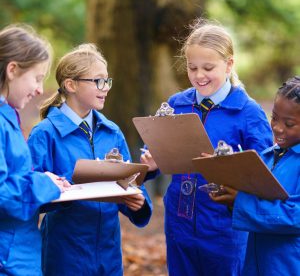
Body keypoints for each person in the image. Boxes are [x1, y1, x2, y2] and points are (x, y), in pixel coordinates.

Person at [141, 19, 273, 276]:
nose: (199, 76)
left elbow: (265, 173)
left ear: (229, 64)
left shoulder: (248, 113)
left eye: (208, 67)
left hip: (225, 227)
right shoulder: (175, 105)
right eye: (192, 68)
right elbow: (155, 152)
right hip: (179, 221)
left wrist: (233, 165)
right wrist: (150, 163)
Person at [27, 43, 153, 276]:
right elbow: (30, 195)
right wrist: (63, 190)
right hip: (65, 254)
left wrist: (138, 203)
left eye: (107, 81)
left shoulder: (112, 132)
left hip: (109, 253)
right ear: (71, 84)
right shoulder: (44, 134)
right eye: (97, 81)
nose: (105, 88)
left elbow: (130, 182)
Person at [210, 76, 300, 276]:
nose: (277, 128)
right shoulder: (268, 156)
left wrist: (241, 202)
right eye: (274, 118)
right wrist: (230, 196)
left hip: (288, 267)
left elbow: (295, 216)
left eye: (289, 123)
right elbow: (257, 199)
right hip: (256, 265)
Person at [0, 24, 69, 275]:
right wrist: (46, 185)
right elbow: (2, 193)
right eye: (37, 78)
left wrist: (40, 178)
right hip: (8, 260)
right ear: (12, 70)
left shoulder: (8, 116)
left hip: (19, 252)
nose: (40, 89)